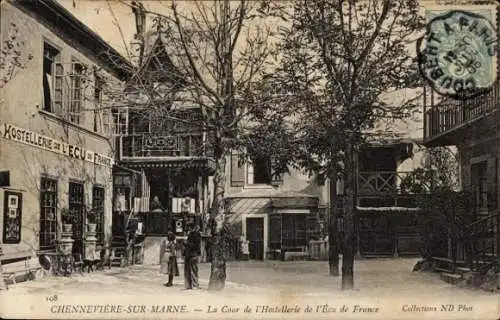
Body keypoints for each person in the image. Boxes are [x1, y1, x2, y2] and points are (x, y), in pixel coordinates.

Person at [184, 224, 201, 289]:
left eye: (188, 229)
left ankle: (195, 285)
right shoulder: (192, 234)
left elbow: (196, 246)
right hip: (189, 254)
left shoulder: (195, 235)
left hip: (193, 254)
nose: (188, 230)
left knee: (193, 270)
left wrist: (187, 243)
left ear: (191, 228)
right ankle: (189, 285)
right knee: (189, 270)